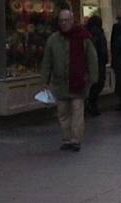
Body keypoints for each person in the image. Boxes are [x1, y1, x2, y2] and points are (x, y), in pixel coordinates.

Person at [41, 9, 98, 151]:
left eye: (67, 20)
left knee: (77, 112)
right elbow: (47, 61)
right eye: (61, 21)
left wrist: (93, 77)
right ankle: (66, 139)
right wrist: (45, 81)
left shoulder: (83, 37)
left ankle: (75, 139)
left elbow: (92, 58)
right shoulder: (53, 40)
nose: (64, 23)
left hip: (78, 82)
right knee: (63, 114)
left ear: (73, 20)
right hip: (60, 84)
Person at [85, 13, 109, 117]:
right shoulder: (97, 32)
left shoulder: (90, 32)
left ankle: (91, 104)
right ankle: (91, 104)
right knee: (98, 83)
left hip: (96, 61)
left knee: (95, 84)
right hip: (98, 61)